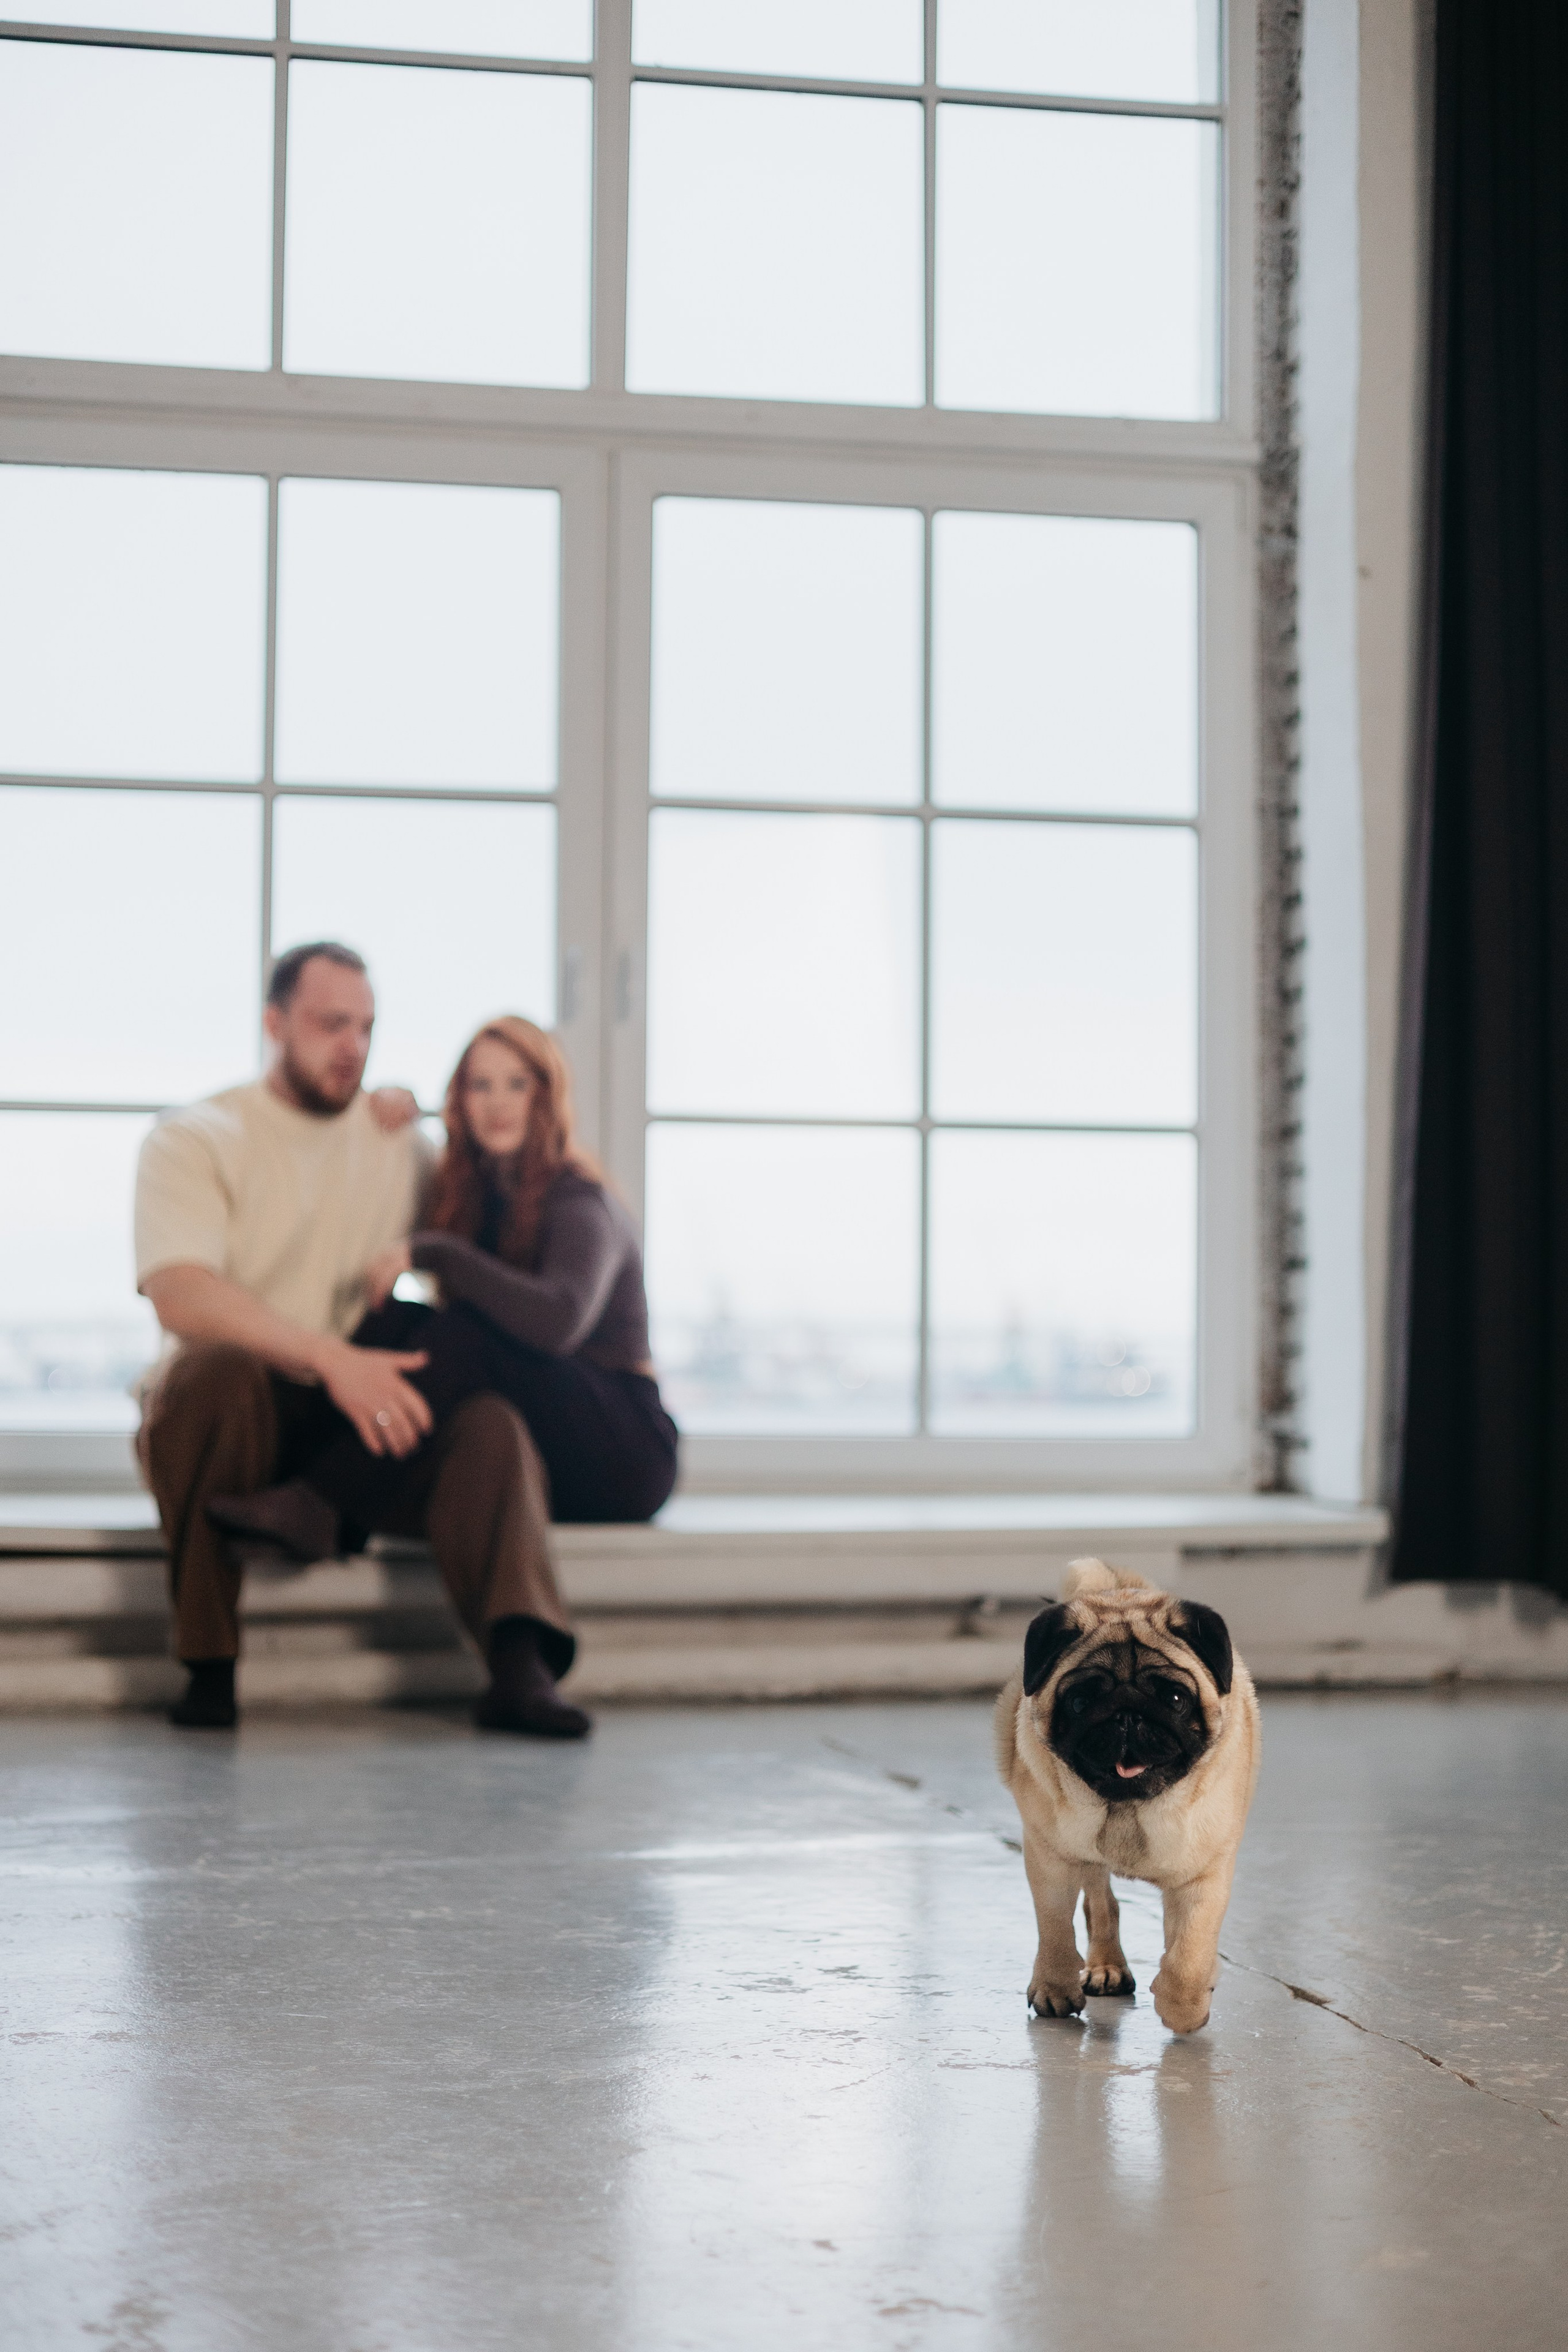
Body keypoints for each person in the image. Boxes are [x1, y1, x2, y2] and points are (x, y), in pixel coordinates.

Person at [134, 944, 587, 1740]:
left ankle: (522, 1671)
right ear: (275, 1024)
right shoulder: (197, 1135)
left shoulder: (399, 1147)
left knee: (489, 1422)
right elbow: (180, 1293)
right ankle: (209, 1665)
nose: (353, 1045)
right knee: (216, 1372)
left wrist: (434, 1118)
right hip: (242, 1411)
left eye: (367, 1027)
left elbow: (483, 1254)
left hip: (356, 1425)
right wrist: (329, 1360)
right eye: (330, 1023)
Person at [211, 1017, 679, 1627]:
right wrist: (385, 1105)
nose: (498, 1105)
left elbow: (556, 1322)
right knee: (391, 1323)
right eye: (480, 1086)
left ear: (546, 1095)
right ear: (459, 1099)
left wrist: (433, 1250)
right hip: (542, 1448)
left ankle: (322, 1501)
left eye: (517, 1084)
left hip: (623, 1448)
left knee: (464, 1332)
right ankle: (303, 1474)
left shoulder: (579, 1200)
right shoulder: (475, 1196)